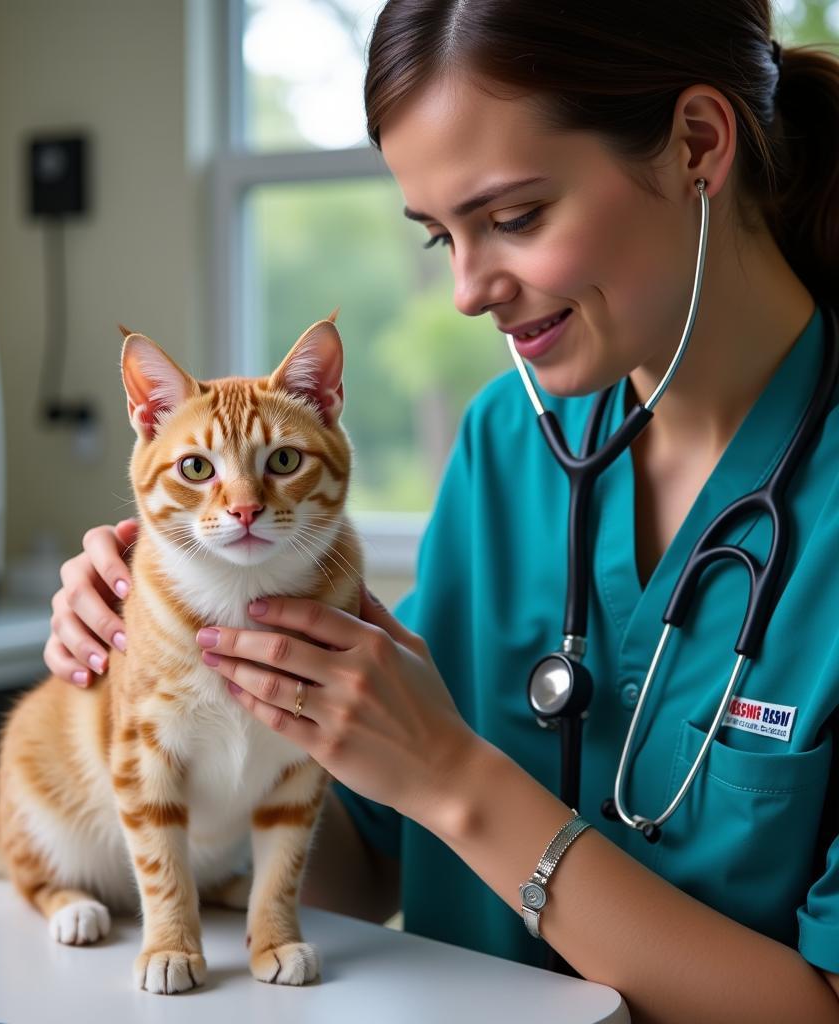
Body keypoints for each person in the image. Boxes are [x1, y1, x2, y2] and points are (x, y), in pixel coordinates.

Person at [43, 2, 839, 1019]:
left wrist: (456, 780)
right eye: (438, 237)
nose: (466, 290)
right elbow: (360, 871)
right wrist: (165, 665)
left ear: (696, 144)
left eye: (512, 217)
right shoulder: (508, 443)